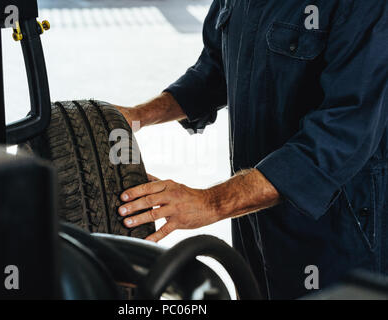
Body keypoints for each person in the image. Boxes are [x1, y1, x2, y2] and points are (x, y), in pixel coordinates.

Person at [115, 0, 388, 299]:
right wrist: (137, 116)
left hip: (334, 228)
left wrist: (211, 203)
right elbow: (212, 73)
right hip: (253, 217)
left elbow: (342, 133)